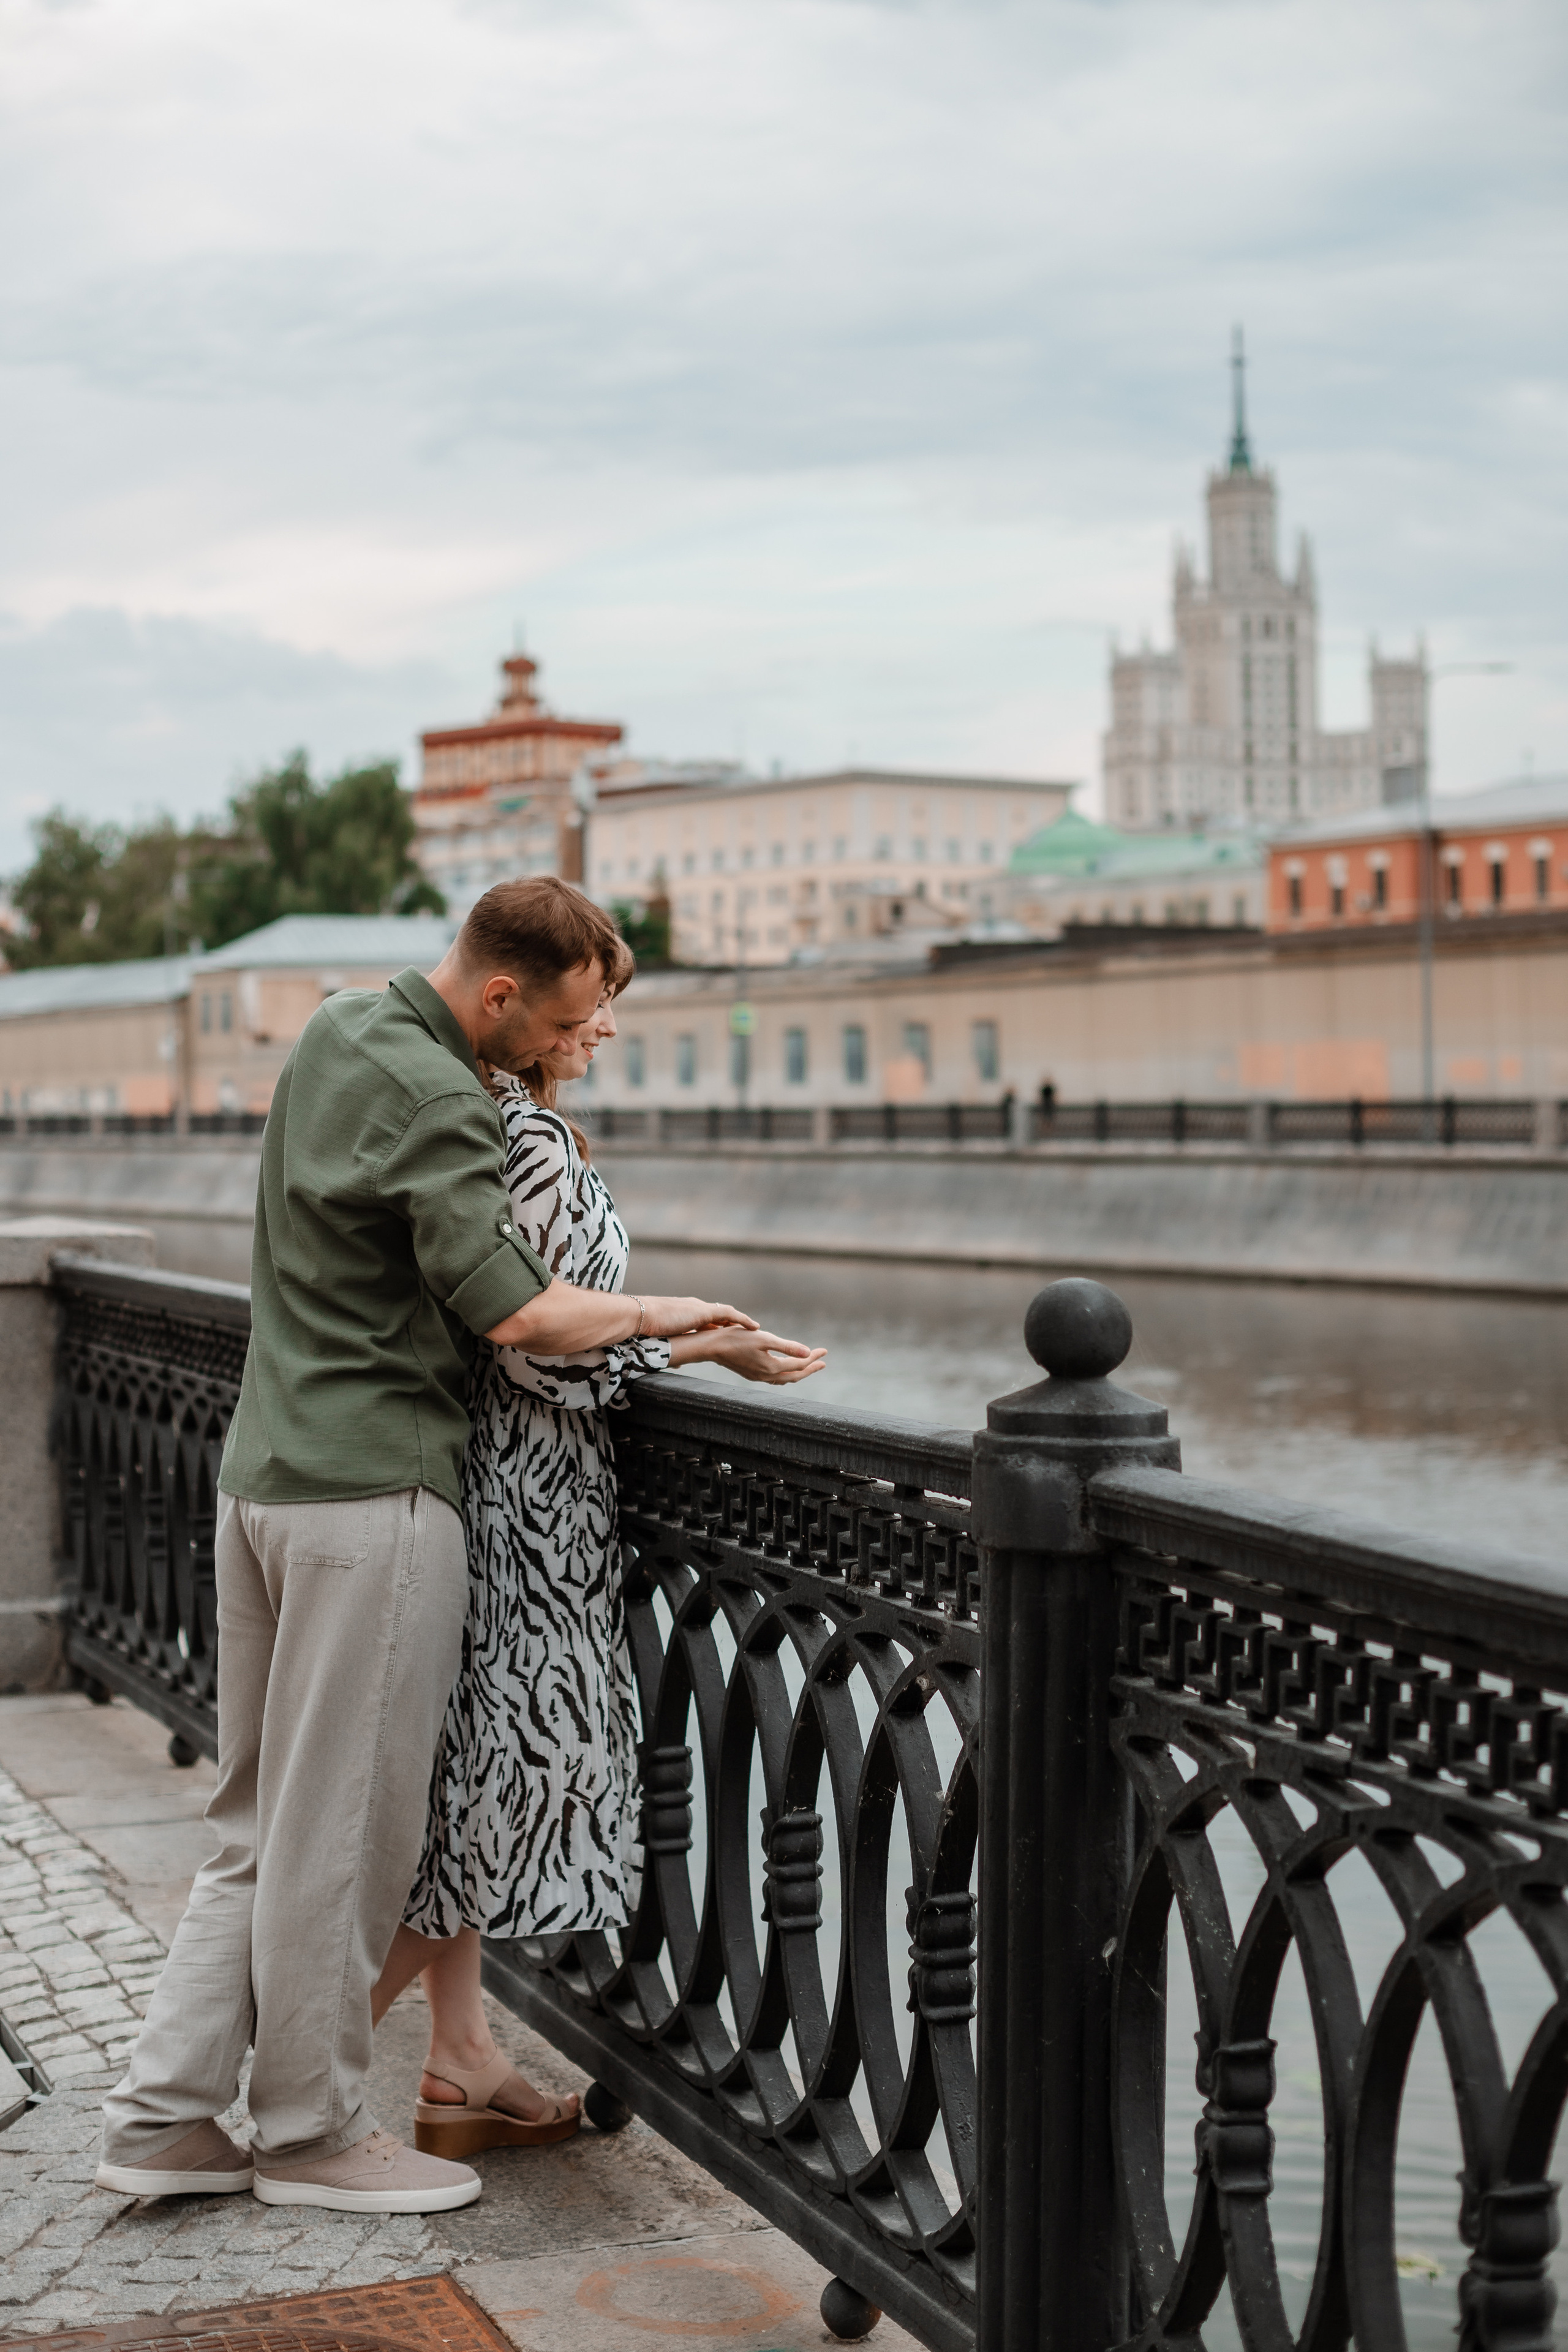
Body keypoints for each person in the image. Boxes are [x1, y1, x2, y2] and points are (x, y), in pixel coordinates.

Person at [97, 880, 763, 2215]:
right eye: (564, 1020)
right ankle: (308, 2139)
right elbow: (517, 1316)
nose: (570, 1044)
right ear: (502, 994)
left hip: (262, 1479)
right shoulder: (447, 1099)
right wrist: (688, 1312)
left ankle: (166, 2117)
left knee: (254, 1827)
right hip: (372, 1501)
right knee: (344, 1839)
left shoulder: (340, 1028)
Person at [370, 956, 825, 2151]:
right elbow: (532, 1348)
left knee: (471, 1790)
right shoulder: (520, 1138)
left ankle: (460, 2063)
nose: (607, 1032)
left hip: (500, 1488)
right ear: (525, 1019)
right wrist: (690, 1340)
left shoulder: (495, 1120)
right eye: (587, 1015)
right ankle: (283, 2071)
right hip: (527, 1510)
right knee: (510, 1802)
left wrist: (692, 1344)